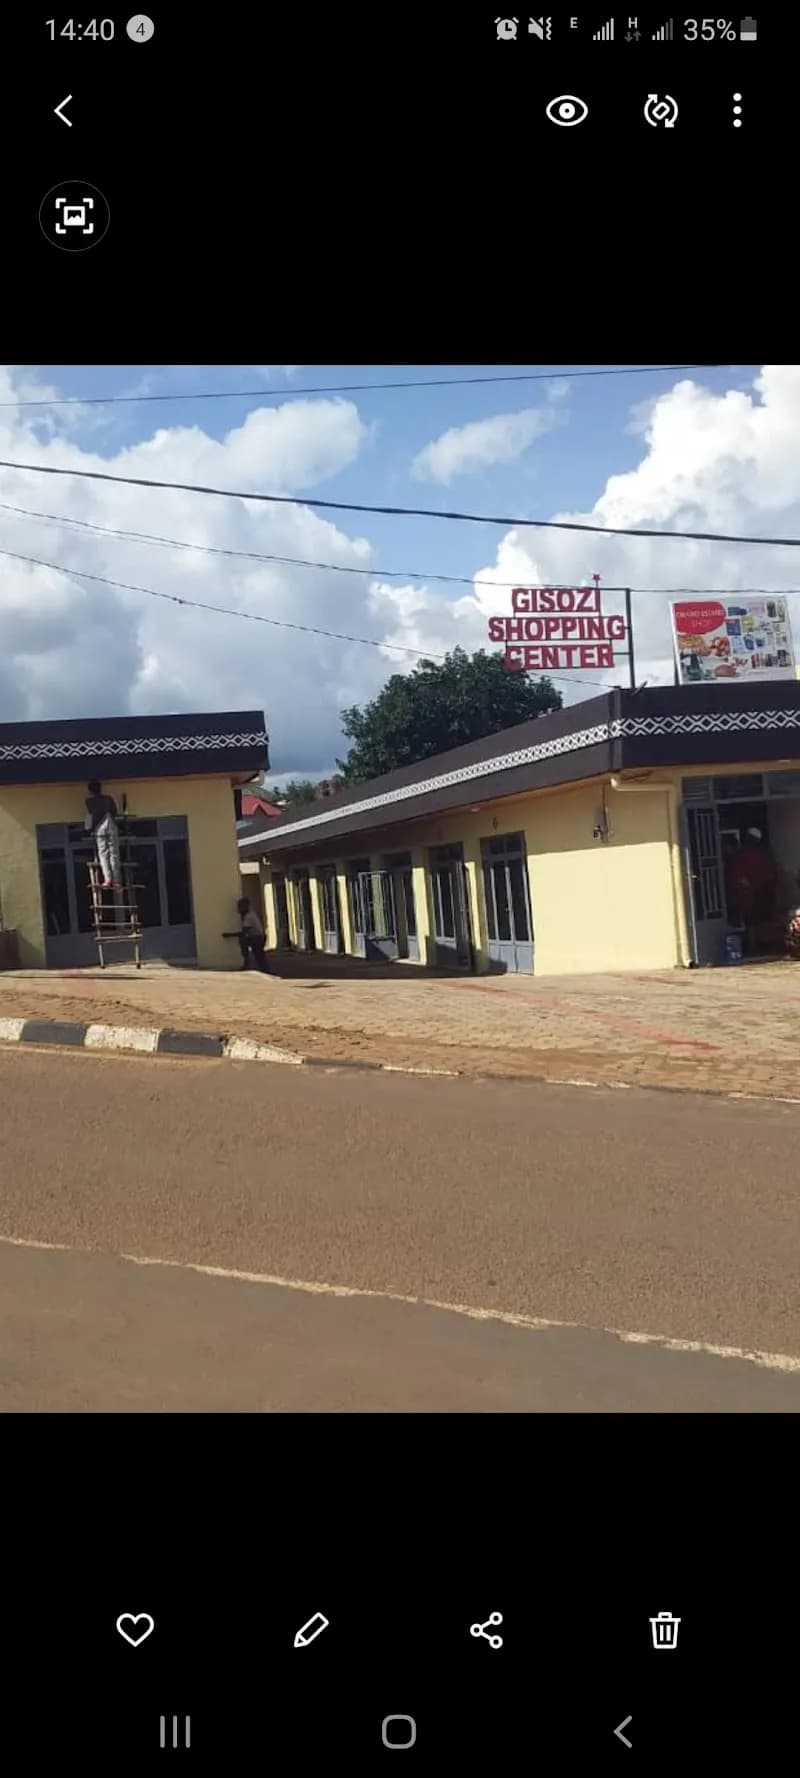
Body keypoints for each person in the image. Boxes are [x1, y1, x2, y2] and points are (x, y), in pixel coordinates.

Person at [724, 827, 778, 953]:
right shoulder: (763, 854)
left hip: (752, 893)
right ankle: (759, 946)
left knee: (752, 921)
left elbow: (735, 875)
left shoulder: (741, 854)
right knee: (757, 920)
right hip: (758, 892)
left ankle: (754, 946)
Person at [84, 778, 122, 889]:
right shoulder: (108, 799)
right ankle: (116, 881)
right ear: (101, 789)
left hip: (99, 829)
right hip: (111, 826)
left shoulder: (89, 802)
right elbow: (115, 812)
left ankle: (108, 879)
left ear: (90, 791)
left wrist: (89, 829)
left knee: (103, 854)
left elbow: (90, 818)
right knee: (114, 853)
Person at [226, 898, 270, 972]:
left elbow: (244, 932)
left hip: (257, 937)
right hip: (257, 937)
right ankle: (262, 967)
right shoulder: (250, 914)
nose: (238, 909)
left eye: (240, 907)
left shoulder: (249, 916)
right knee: (259, 954)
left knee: (256, 952)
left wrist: (229, 935)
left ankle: (249, 964)